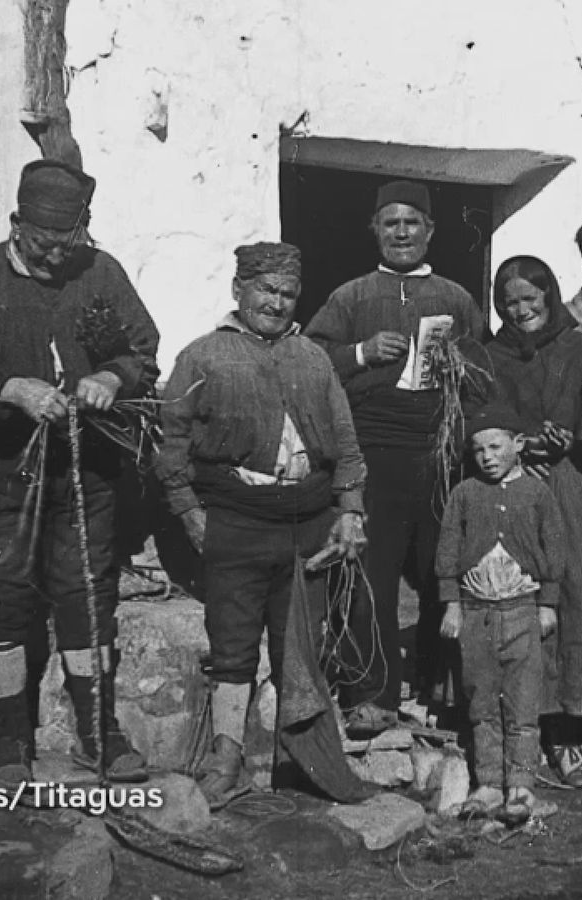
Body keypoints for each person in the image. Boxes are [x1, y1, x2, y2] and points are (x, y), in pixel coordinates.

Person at [0, 159, 160, 787]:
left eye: (69, 240)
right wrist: (9, 389)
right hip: (3, 470)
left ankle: (96, 732)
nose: (58, 256)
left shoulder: (99, 272)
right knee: (3, 595)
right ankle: (5, 733)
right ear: (16, 225)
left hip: (88, 468)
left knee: (88, 593)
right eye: (44, 243)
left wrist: (112, 377)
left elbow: (141, 350)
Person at [154, 242, 368, 808]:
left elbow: (344, 441)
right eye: (266, 290)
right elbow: (171, 439)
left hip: (307, 522)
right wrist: (191, 514)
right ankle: (227, 756)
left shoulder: (313, 358)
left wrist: (350, 511)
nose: (276, 302)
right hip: (236, 522)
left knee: (302, 643)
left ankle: (298, 759)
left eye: (288, 293)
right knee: (233, 643)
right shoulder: (202, 356)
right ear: (238, 291)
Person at [304, 180, 486, 735]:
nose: (402, 232)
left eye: (412, 223)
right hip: (372, 451)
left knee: (442, 571)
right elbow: (310, 361)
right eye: (391, 223)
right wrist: (360, 352)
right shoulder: (352, 296)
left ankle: (440, 689)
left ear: (430, 231)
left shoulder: (455, 298)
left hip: (437, 453)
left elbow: (483, 374)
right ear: (375, 231)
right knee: (369, 575)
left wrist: (461, 367)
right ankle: (372, 695)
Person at [485, 255, 582, 788]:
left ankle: (571, 728)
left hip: (567, 486)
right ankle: (526, 724)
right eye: (510, 303)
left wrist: (570, 433)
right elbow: (481, 413)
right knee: (521, 600)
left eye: (531, 301)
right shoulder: (490, 355)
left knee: (576, 596)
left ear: (551, 297)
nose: (521, 312)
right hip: (513, 493)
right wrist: (518, 439)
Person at [436, 406, 564, 821]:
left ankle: (522, 787)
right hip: (475, 614)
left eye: (495, 447)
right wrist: (452, 604)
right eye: (478, 450)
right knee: (482, 704)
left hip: (522, 611)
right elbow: (448, 550)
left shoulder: (538, 493)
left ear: (519, 445)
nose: (487, 456)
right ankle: (489, 783)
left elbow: (555, 549)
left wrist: (547, 604)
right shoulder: (464, 494)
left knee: (523, 707)